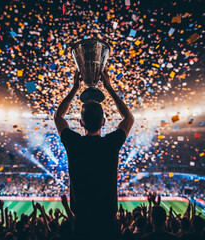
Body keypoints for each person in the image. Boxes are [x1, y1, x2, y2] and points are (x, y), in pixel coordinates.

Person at [54, 68, 134, 239]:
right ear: (104, 122)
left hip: (81, 225)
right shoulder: (111, 144)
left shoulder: (73, 143)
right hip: (108, 224)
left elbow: (58, 117)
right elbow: (128, 119)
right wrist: (109, 87)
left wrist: (75, 88)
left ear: (81, 122)